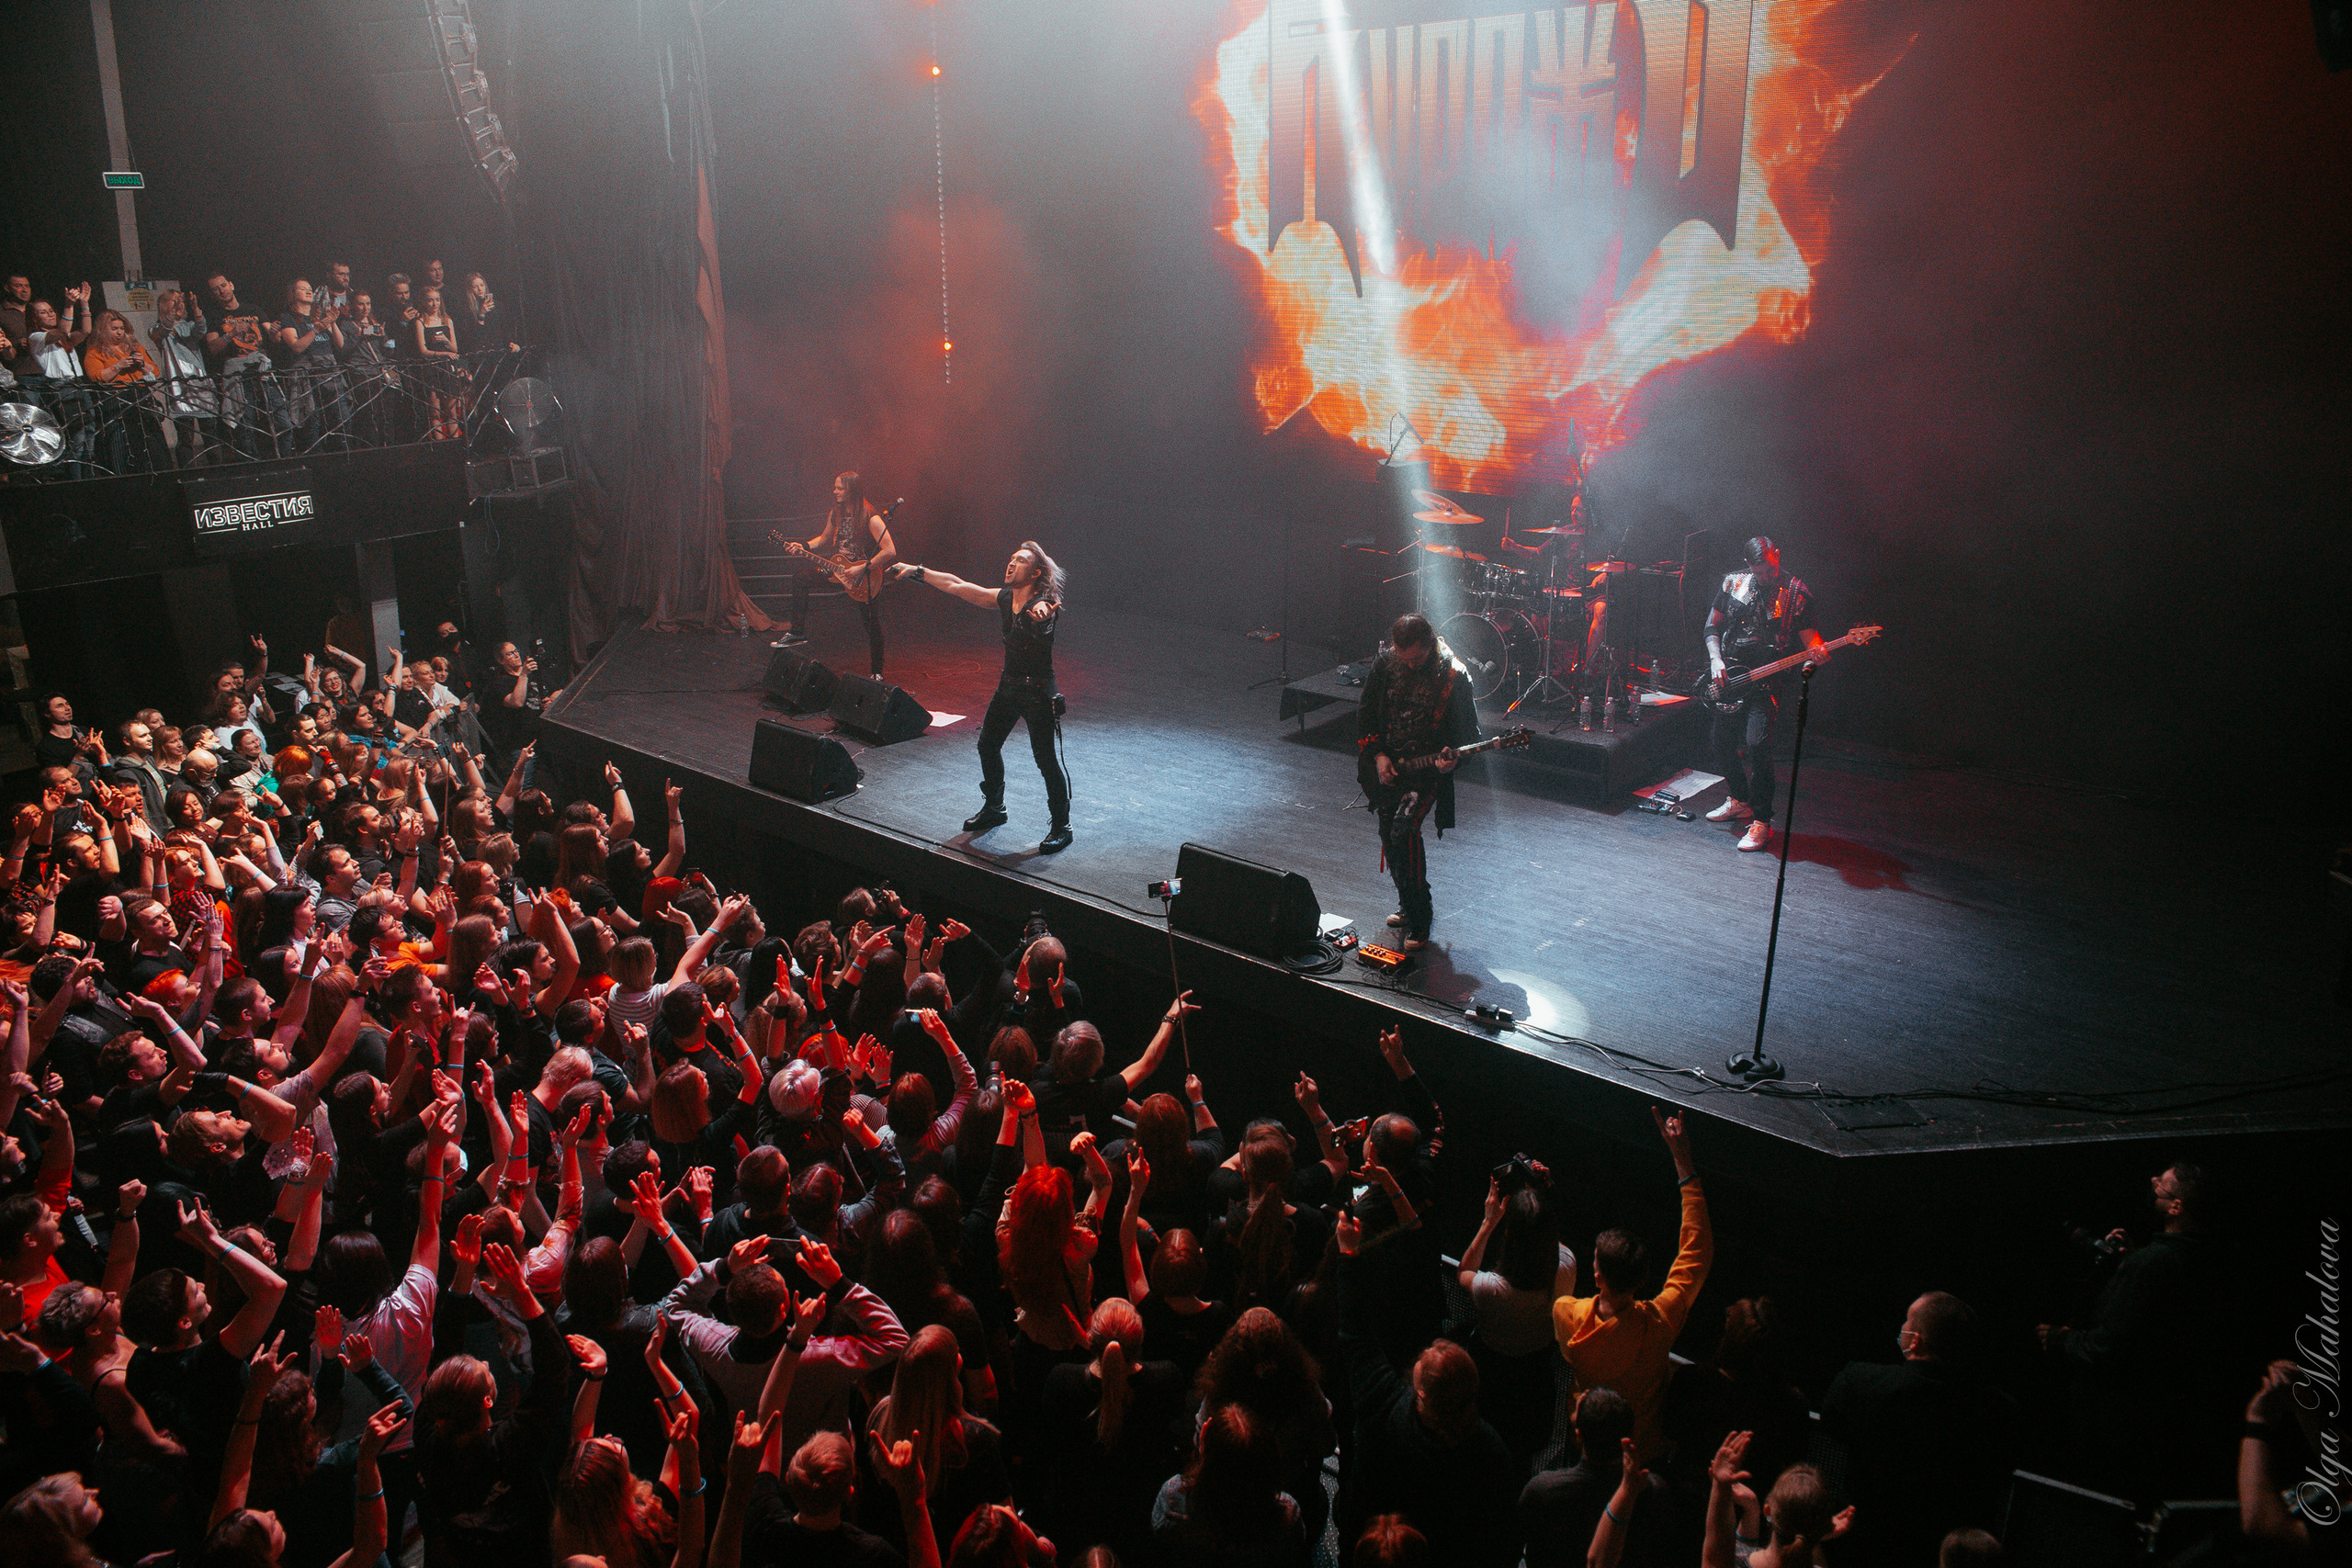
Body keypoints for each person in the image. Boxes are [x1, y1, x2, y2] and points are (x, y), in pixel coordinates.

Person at [1550, 1108, 1710, 1464]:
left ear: (1597, 1278)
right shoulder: (1660, 1322)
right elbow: (1696, 1254)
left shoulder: (1567, 1315)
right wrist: (1683, 1162)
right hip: (1639, 1451)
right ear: (1642, 1281)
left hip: (1586, 1442)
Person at [889, 543, 1070, 853]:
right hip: (1009, 687)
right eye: (1011, 557)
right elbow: (957, 585)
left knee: (1045, 759)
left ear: (1036, 572)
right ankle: (995, 808)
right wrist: (916, 572)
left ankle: (1061, 826)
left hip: (1038, 692)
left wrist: (1041, 615)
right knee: (987, 744)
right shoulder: (1004, 598)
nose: (1012, 563)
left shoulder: (1044, 602)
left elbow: (1045, 614)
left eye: (1021, 560)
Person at [1819, 1292, 2014, 1566]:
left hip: (1860, 1547)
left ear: (1916, 1340)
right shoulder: (1998, 1411)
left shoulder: (1860, 1383)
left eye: (1907, 1323)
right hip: (1943, 1555)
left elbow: (1830, 1425)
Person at [1356, 612, 1478, 949]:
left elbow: (1468, 735)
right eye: (1403, 658)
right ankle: (1408, 905)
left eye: (1417, 658)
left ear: (1429, 645)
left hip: (1425, 774)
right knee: (1387, 834)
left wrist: (1449, 763)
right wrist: (1379, 755)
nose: (1410, 665)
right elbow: (1366, 712)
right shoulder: (1386, 663)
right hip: (1389, 768)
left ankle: (1421, 918)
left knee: (1404, 831)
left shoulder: (1453, 675)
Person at [1702, 536, 1827, 853]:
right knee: (1720, 742)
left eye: (1771, 569)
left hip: (1768, 681)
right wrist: (1716, 659)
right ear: (1749, 566)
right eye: (1760, 573)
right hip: (1733, 675)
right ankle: (1741, 800)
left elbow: (1811, 639)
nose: (1767, 577)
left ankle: (1762, 822)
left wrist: (1818, 651)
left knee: (1757, 746)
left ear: (1778, 556)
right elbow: (1711, 627)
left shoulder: (1797, 593)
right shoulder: (1732, 583)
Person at [777, 471, 898, 676]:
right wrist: (803, 545)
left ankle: (877, 672)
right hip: (839, 569)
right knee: (801, 578)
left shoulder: (871, 516)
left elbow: (890, 550)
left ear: (851, 489)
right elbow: (823, 539)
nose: (835, 492)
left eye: (839, 488)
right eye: (835, 487)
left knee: (872, 625)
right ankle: (797, 632)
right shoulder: (837, 512)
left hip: (863, 577)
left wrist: (862, 568)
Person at [413, 286, 462, 440]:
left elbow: (454, 348)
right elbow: (423, 351)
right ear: (424, 302)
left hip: (447, 368)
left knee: (451, 411)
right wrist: (444, 353)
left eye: (437, 300)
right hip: (431, 368)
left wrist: (446, 342)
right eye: (430, 300)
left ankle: (455, 445)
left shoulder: (447, 320)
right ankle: (440, 447)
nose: (434, 304)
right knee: (435, 412)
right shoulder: (420, 321)